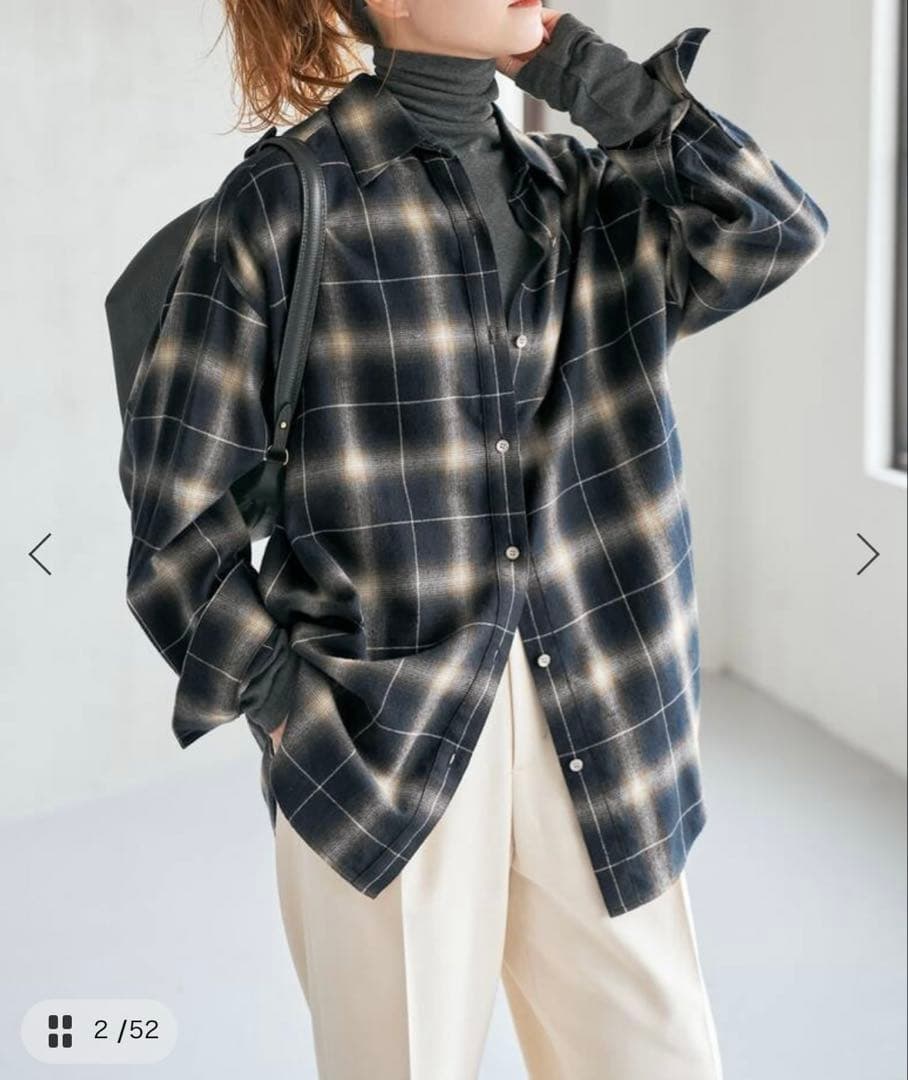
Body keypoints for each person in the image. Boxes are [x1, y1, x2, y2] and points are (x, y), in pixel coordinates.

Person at [118, 0, 828, 1075]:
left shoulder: (584, 191)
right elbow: (177, 521)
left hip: (603, 709)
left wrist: (586, 78)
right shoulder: (288, 199)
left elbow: (772, 228)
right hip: (380, 737)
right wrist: (286, 705)